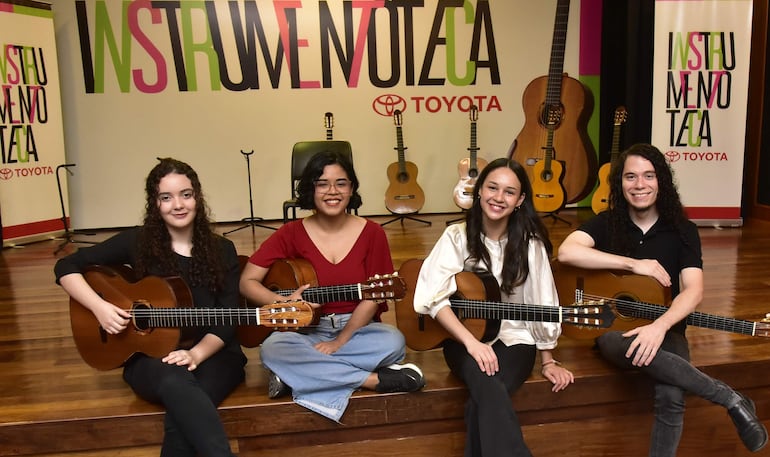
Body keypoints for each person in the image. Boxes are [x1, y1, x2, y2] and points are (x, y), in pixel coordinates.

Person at [557, 143, 768, 455]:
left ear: (661, 181)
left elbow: (693, 290)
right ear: (620, 183)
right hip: (614, 329)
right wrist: (632, 264)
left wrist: (659, 327)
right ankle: (729, 398)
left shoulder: (682, 230)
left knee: (671, 394)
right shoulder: (608, 222)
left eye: (648, 176)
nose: (639, 185)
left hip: (668, 328)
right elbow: (566, 251)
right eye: (630, 177)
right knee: (614, 342)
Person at [55, 158, 246, 457]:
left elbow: (227, 320)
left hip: (215, 353)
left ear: (197, 196)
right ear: (155, 203)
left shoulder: (222, 249)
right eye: (166, 197)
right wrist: (99, 307)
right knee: (176, 383)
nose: (178, 205)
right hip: (150, 355)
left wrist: (194, 354)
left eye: (186, 194)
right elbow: (66, 266)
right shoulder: (139, 241)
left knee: (183, 415)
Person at [239, 150, 425, 423]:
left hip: (359, 330)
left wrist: (340, 341)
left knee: (394, 342)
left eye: (341, 183)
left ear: (351, 189)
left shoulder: (372, 233)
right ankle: (372, 379)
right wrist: (285, 304)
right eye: (322, 183)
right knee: (272, 348)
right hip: (306, 332)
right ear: (310, 189)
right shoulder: (290, 233)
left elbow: (373, 298)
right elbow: (247, 282)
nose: (332, 191)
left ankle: (296, 375)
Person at [413, 158, 574, 457]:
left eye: (509, 192)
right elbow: (432, 296)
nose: (499, 198)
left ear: (520, 200)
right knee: (487, 385)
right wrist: (472, 343)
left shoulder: (530, 244)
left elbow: (543, 301)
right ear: (479, 191)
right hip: (461, 338)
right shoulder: (456, 236)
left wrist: (548, 359)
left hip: (516, 339)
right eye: (492, 187)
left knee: (483, 399)